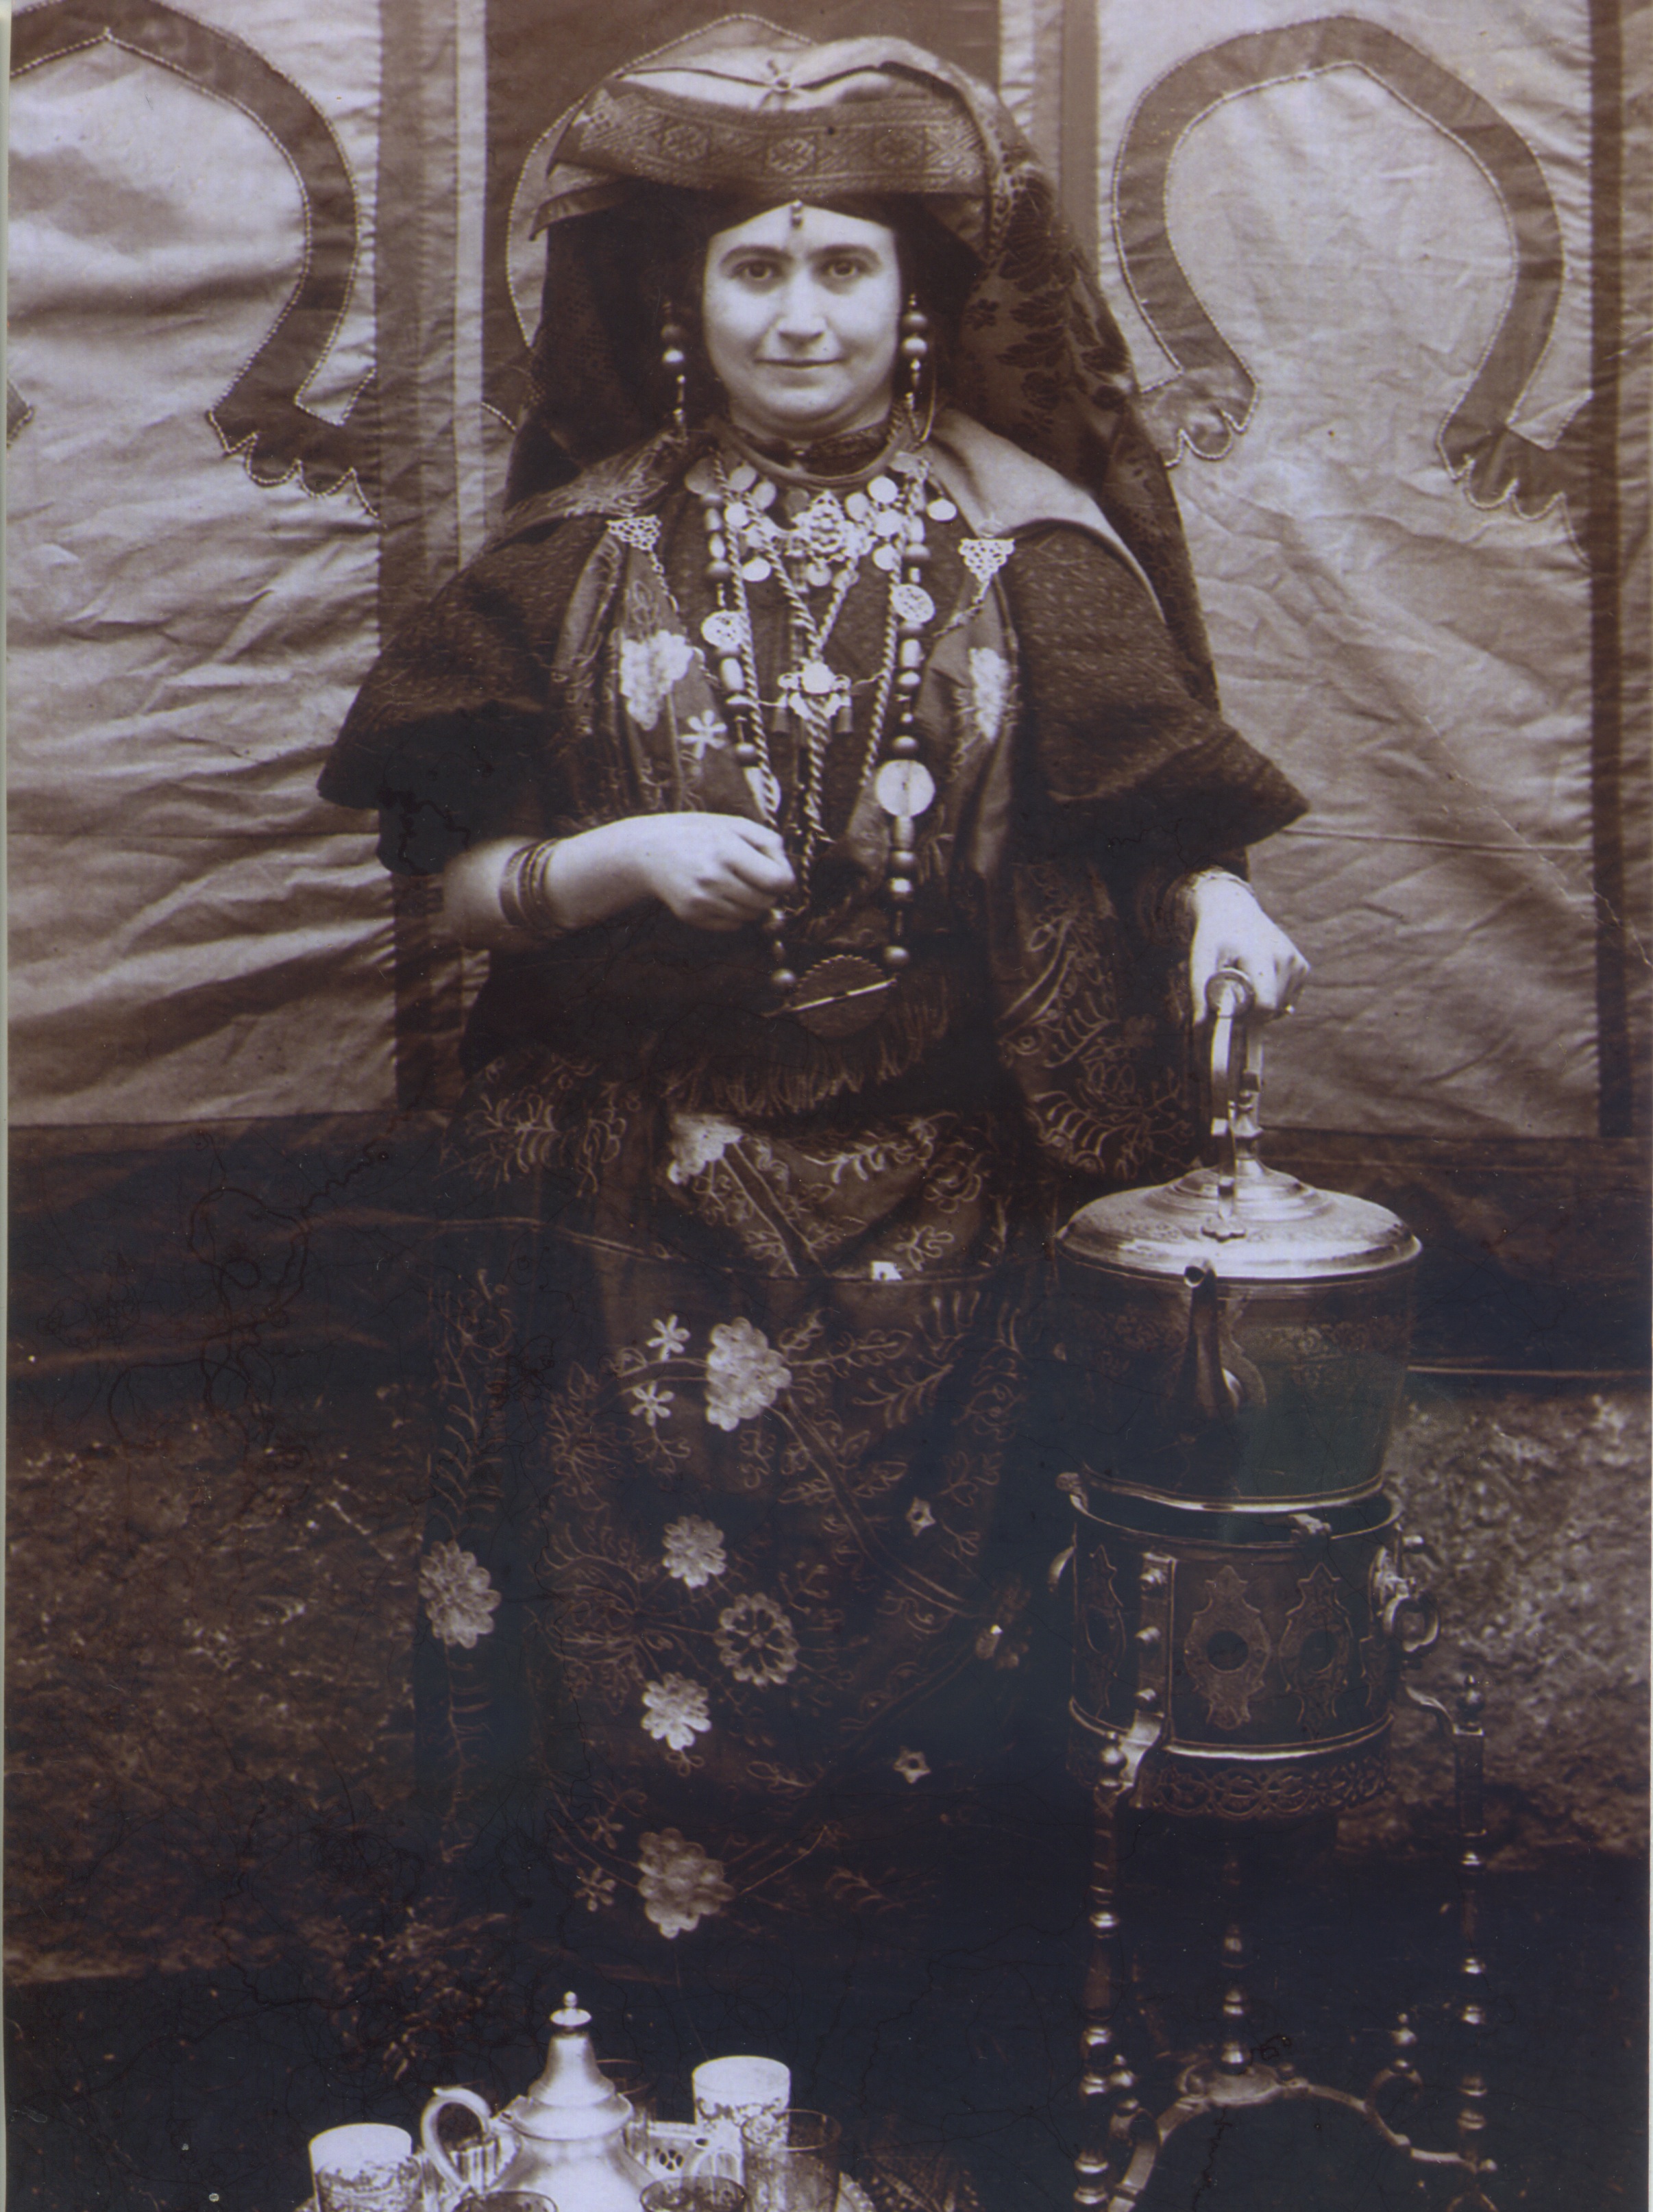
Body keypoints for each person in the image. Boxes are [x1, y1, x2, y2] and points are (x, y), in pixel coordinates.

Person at [319, 23, 1308, 1968]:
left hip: (945, 1206)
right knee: (636, 1677)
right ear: (683, 295)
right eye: (753, 265)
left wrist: (1215, 892)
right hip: (632, 1215)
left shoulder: (1029, 535)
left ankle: (896, 2072)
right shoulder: (569, 552)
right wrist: (606, 863)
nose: (798, 311)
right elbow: (438, 883)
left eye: (840, 264)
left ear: (915, 295)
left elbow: (1146, 791)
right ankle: (654, 2051)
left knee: (935, 1680)